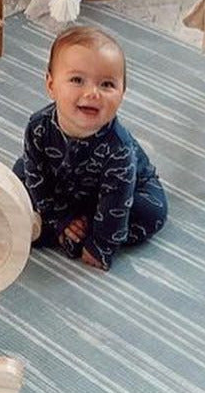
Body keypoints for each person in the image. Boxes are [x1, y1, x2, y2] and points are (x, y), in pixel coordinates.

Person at [13, 26, 167, 269]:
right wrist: (61, 218)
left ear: (122, 94)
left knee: (152, 212)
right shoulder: (38, 127)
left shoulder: (119, 148)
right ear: (51, 85)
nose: (93, 93)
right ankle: (65, 226)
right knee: (20, 176)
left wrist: (101, 245)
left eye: (107, 84)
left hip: (121, 191)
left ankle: (80, 230)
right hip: (64, 185)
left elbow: (117, 202)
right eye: (77, 80)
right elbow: (37, 178)